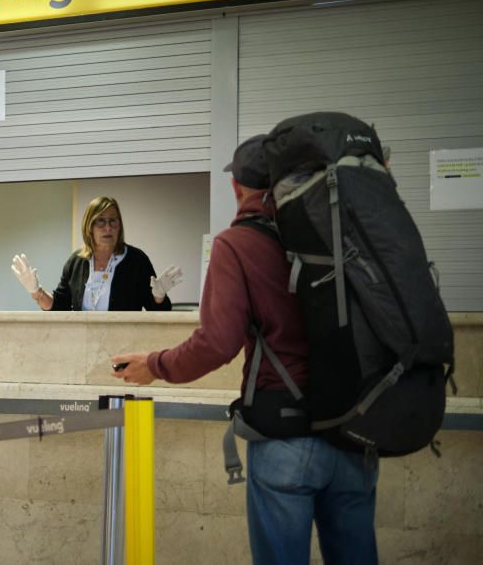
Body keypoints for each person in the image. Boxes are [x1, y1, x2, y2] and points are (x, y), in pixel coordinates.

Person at [110, 136, 379, 564]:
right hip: (355, 431)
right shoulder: (340, 234)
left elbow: (218, 342)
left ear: (237, 186)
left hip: (285, 434)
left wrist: (155, 365)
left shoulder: (238, 244)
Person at [11, 195, 182, 311]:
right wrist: (36, 291)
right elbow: (58, 308)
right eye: (100, 221)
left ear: (119, 225)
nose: (108, 228)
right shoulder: (76, 261)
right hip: (83, 345)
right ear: (89, 227)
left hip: (123, 346)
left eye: (113, 221)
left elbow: (158, 311)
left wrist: (158, 296)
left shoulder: (136, 260)